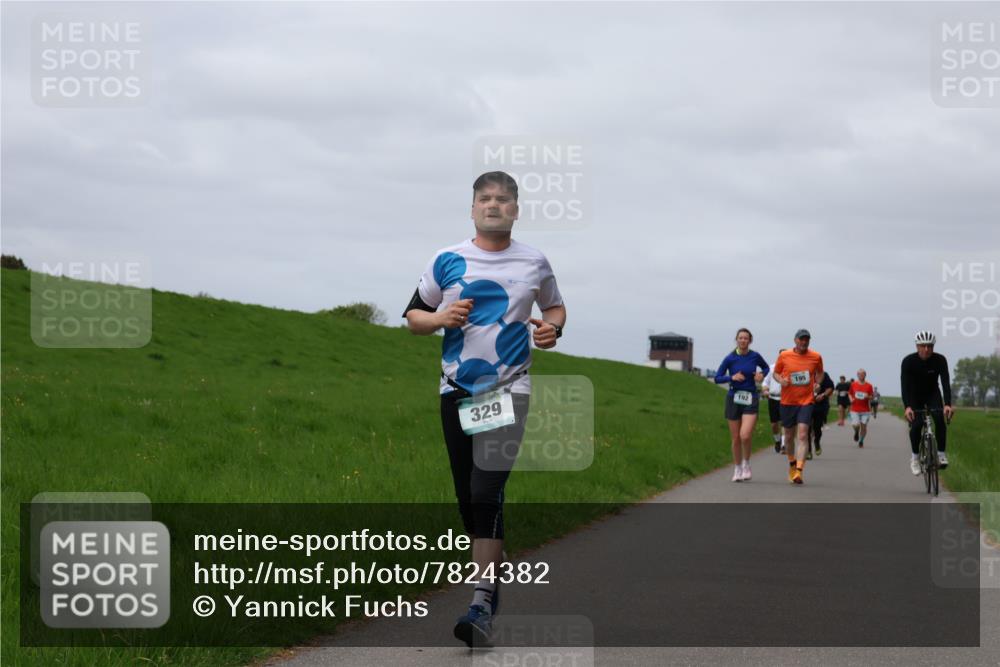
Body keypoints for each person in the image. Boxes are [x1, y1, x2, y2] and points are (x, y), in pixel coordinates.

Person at [403, 171, 566, 647]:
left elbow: (555, 308)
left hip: (508, 390)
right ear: (472, 208)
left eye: (503, 199)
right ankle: (490, 582)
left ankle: (479, 603)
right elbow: (413, 316)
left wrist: (552, 330)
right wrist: (439, 317)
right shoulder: (447, 259)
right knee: (467, 498)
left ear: (516, 209)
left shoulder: (534, 261)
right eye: (485, 198)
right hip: (457, 389)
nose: (494, 205)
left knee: (485, 489)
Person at [714, 328, 769, 482]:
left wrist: (761, 375)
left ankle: (746, 464)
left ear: (750, 341)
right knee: (736, 438)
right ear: (736, 340)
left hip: (750, 397)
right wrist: (731, 377)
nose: (743, 340)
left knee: (745, 435)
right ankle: (737, 468)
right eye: (740, 338)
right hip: (733, 398)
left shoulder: (755, 356)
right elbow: (717, 378)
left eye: (746, 338)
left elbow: (766, 368)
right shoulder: (730, 358)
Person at [773, 329, 824, 485]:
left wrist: (817, 383)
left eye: (806, 340)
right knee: (789, 437)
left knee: (802, 435)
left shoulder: (816, 356)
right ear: (795, 340)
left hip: (806, 401)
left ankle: (799, 471)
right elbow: (776, 373)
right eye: (801, 339)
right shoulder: (784, 355)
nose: (804, 342)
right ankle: (792, 464)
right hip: (788, 402)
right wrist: (781, 380)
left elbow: (820, 373)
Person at [902, 331, 954, 475]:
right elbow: (904, 386)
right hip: (914, 396)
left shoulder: (940, 360)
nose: (926, 349)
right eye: (923, 346)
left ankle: (941, 454)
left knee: (939, 419)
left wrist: (947, 404)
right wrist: (907, 407)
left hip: (932, 394)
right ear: (917, 346)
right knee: (917, 425)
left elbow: (945, 382)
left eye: (929, 346)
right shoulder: (908, 361)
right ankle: (915, 458)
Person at [761, 349, 787, 454]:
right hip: (772, 398)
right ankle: (777, 440)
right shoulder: (771, 368)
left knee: (784, 423)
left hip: (785, 399)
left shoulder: (791, 369)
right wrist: (765, 390)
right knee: (774, 424)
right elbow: (765, 382)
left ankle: (784, 445)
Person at [809, 371, 835, 457]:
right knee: (806, 428)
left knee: (817, 428)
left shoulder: (823, 374)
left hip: (820, 405)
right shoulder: (804, 374)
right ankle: (808, 450)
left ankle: (816, 441)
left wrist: (823, 395)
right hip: (806, 405)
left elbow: (830, 387)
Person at [849, 369, 875, 447]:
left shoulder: (869, 385)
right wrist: (851, 399)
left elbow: (872, 397)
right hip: (855, 409)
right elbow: (849, 393)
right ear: (857, 375)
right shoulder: (853, 384)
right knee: (855, 425)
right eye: (859, 374)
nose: (861, 376)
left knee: (863, 427)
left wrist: (868, 396)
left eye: (863, 374)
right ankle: (856, 432)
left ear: (865, 375)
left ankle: (861, 441)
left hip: (865, 410)